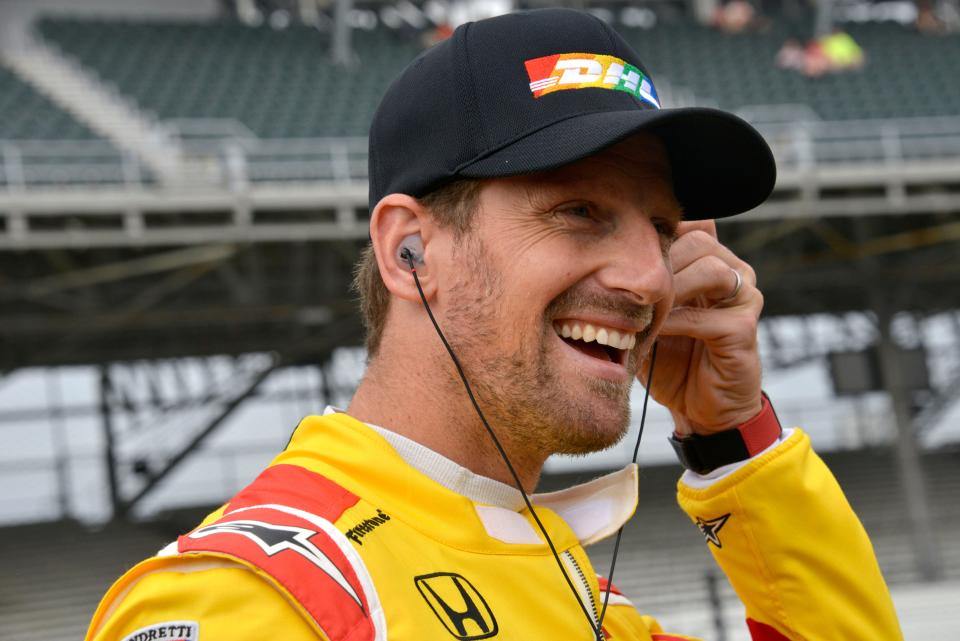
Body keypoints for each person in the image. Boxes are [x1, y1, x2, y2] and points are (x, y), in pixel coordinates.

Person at [84, 9, 903, 641]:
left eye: (661, 226)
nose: (652, 276)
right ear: (411, 251)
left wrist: (731, 440)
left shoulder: (580, 591)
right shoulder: (253, 601)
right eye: (578, 210)